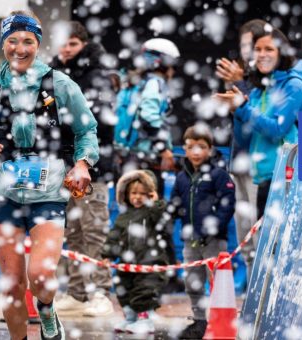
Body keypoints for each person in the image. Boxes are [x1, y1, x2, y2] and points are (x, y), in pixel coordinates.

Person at [0, 10, 100, 340]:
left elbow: (87, 130)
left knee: (40, 276)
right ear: (3, 44)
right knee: (12, 285)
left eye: (28, 41)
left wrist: (83, 163)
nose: (20, 49)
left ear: (38, 44)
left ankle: (47, 308)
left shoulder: (60, 84)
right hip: (3, 192)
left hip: (48, 192)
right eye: (12, 41)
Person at [50, 21, 114, 317]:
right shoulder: (54, 74)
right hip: (63, 167)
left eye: (73, 44)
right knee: (73, 233)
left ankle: (102, 293)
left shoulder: (98, 74)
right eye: (63, 43)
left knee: (94, 232)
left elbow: (96, 120)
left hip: (92, 168)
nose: (66, 49)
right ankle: (77, 293)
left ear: (84, 45)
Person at [215, 25, 302, 220]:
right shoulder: (258, 90)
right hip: (263, 179)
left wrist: (244, 108)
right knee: (260, 241)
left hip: (288, 180)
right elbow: (245, 140)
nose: (262, 54)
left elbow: (277, 129)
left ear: (282, 52)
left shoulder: (294, 84)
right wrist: (237, 112)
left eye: (269, 49)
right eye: (257, 49)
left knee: (280, 240)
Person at [168, 124, 236, 338]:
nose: (196, 152)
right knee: (192, 282)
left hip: (213, 241)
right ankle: (199, 322)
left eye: (201, 146)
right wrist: (166, 215)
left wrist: (213, 228)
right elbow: (175, 204)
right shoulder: (182, 177)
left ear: (210, 149)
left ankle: (219, 322)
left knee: (217, 281)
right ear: (185, 149)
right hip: (190, 240)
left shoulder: (219, 175)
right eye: (191, 147)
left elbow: (227, 205)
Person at [215, 19, 266, 283]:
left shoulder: (276, 80)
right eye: (243, 45)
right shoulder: (246, 77)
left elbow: (264, 122)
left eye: (251, 44)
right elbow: (240, 123)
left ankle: (263, 289)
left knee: (261, 232)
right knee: (244, 232)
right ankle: (251, 290)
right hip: (239, 163)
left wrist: (241, 87)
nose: (246, 51)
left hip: (263, 166)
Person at [101, 170, 171, 335]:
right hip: (127, 264)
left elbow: (163, 221)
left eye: (143, 193)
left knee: (144, 291)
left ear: (150, 194)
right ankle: (131, 318)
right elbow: (114, 236)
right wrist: (108, 255)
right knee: (122, 288)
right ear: (126, 194)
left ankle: (145, 320)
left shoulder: (152, 212)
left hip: (150, 263)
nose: (138, 197)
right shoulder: (124, 215)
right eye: (134, 193)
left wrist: (155, 203)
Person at [114, 38, 178, 194]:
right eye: (173, 65)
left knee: (129, 203)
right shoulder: (155, 83)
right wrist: (164, 149)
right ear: (163, 63)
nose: (174, 71)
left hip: (126, 156)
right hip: (146, 159)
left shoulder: (132, 83)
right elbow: (148, 118)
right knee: (150, 204)